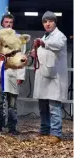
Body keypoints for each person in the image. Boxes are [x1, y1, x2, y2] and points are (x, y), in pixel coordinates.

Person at [33, 11, 68, 143]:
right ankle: (44, 131)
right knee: (43, 107)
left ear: (55, 22)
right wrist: (34, 52)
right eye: (45, 21)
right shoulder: (46, 37)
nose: (47, 24)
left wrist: (43, 44)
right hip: (43, 76)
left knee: (54, 107)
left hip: (54, 77)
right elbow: (44, 52)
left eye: (50, 21)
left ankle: (56, 133)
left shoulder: (60, 36)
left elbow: (57, 46)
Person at [0, 13, 26, 135]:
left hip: (13, 74)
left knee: (12, 104)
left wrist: (21, 75)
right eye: (6, 22)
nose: (8, 24)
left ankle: (12, 128)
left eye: (10, 22)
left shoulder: (18, 38)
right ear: (2, 23)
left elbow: (22, 58)